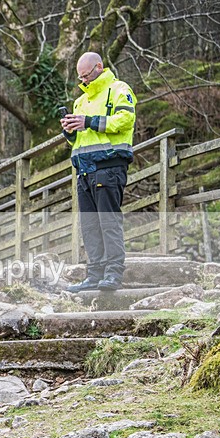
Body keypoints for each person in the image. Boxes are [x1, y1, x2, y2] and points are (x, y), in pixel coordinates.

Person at [61, 52, 136, 293]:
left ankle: (114, 273)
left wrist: (89, 121)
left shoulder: (119, 89)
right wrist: (70, 130)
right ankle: (94, 274)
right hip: (83, 170)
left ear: (99, 67)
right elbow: (79, 138)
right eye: (80, 77)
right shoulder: (80, 101)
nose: (83, 81)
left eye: (86, 75)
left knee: (108, 222)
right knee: (89, 225)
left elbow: (125, 120)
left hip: (109, 166)